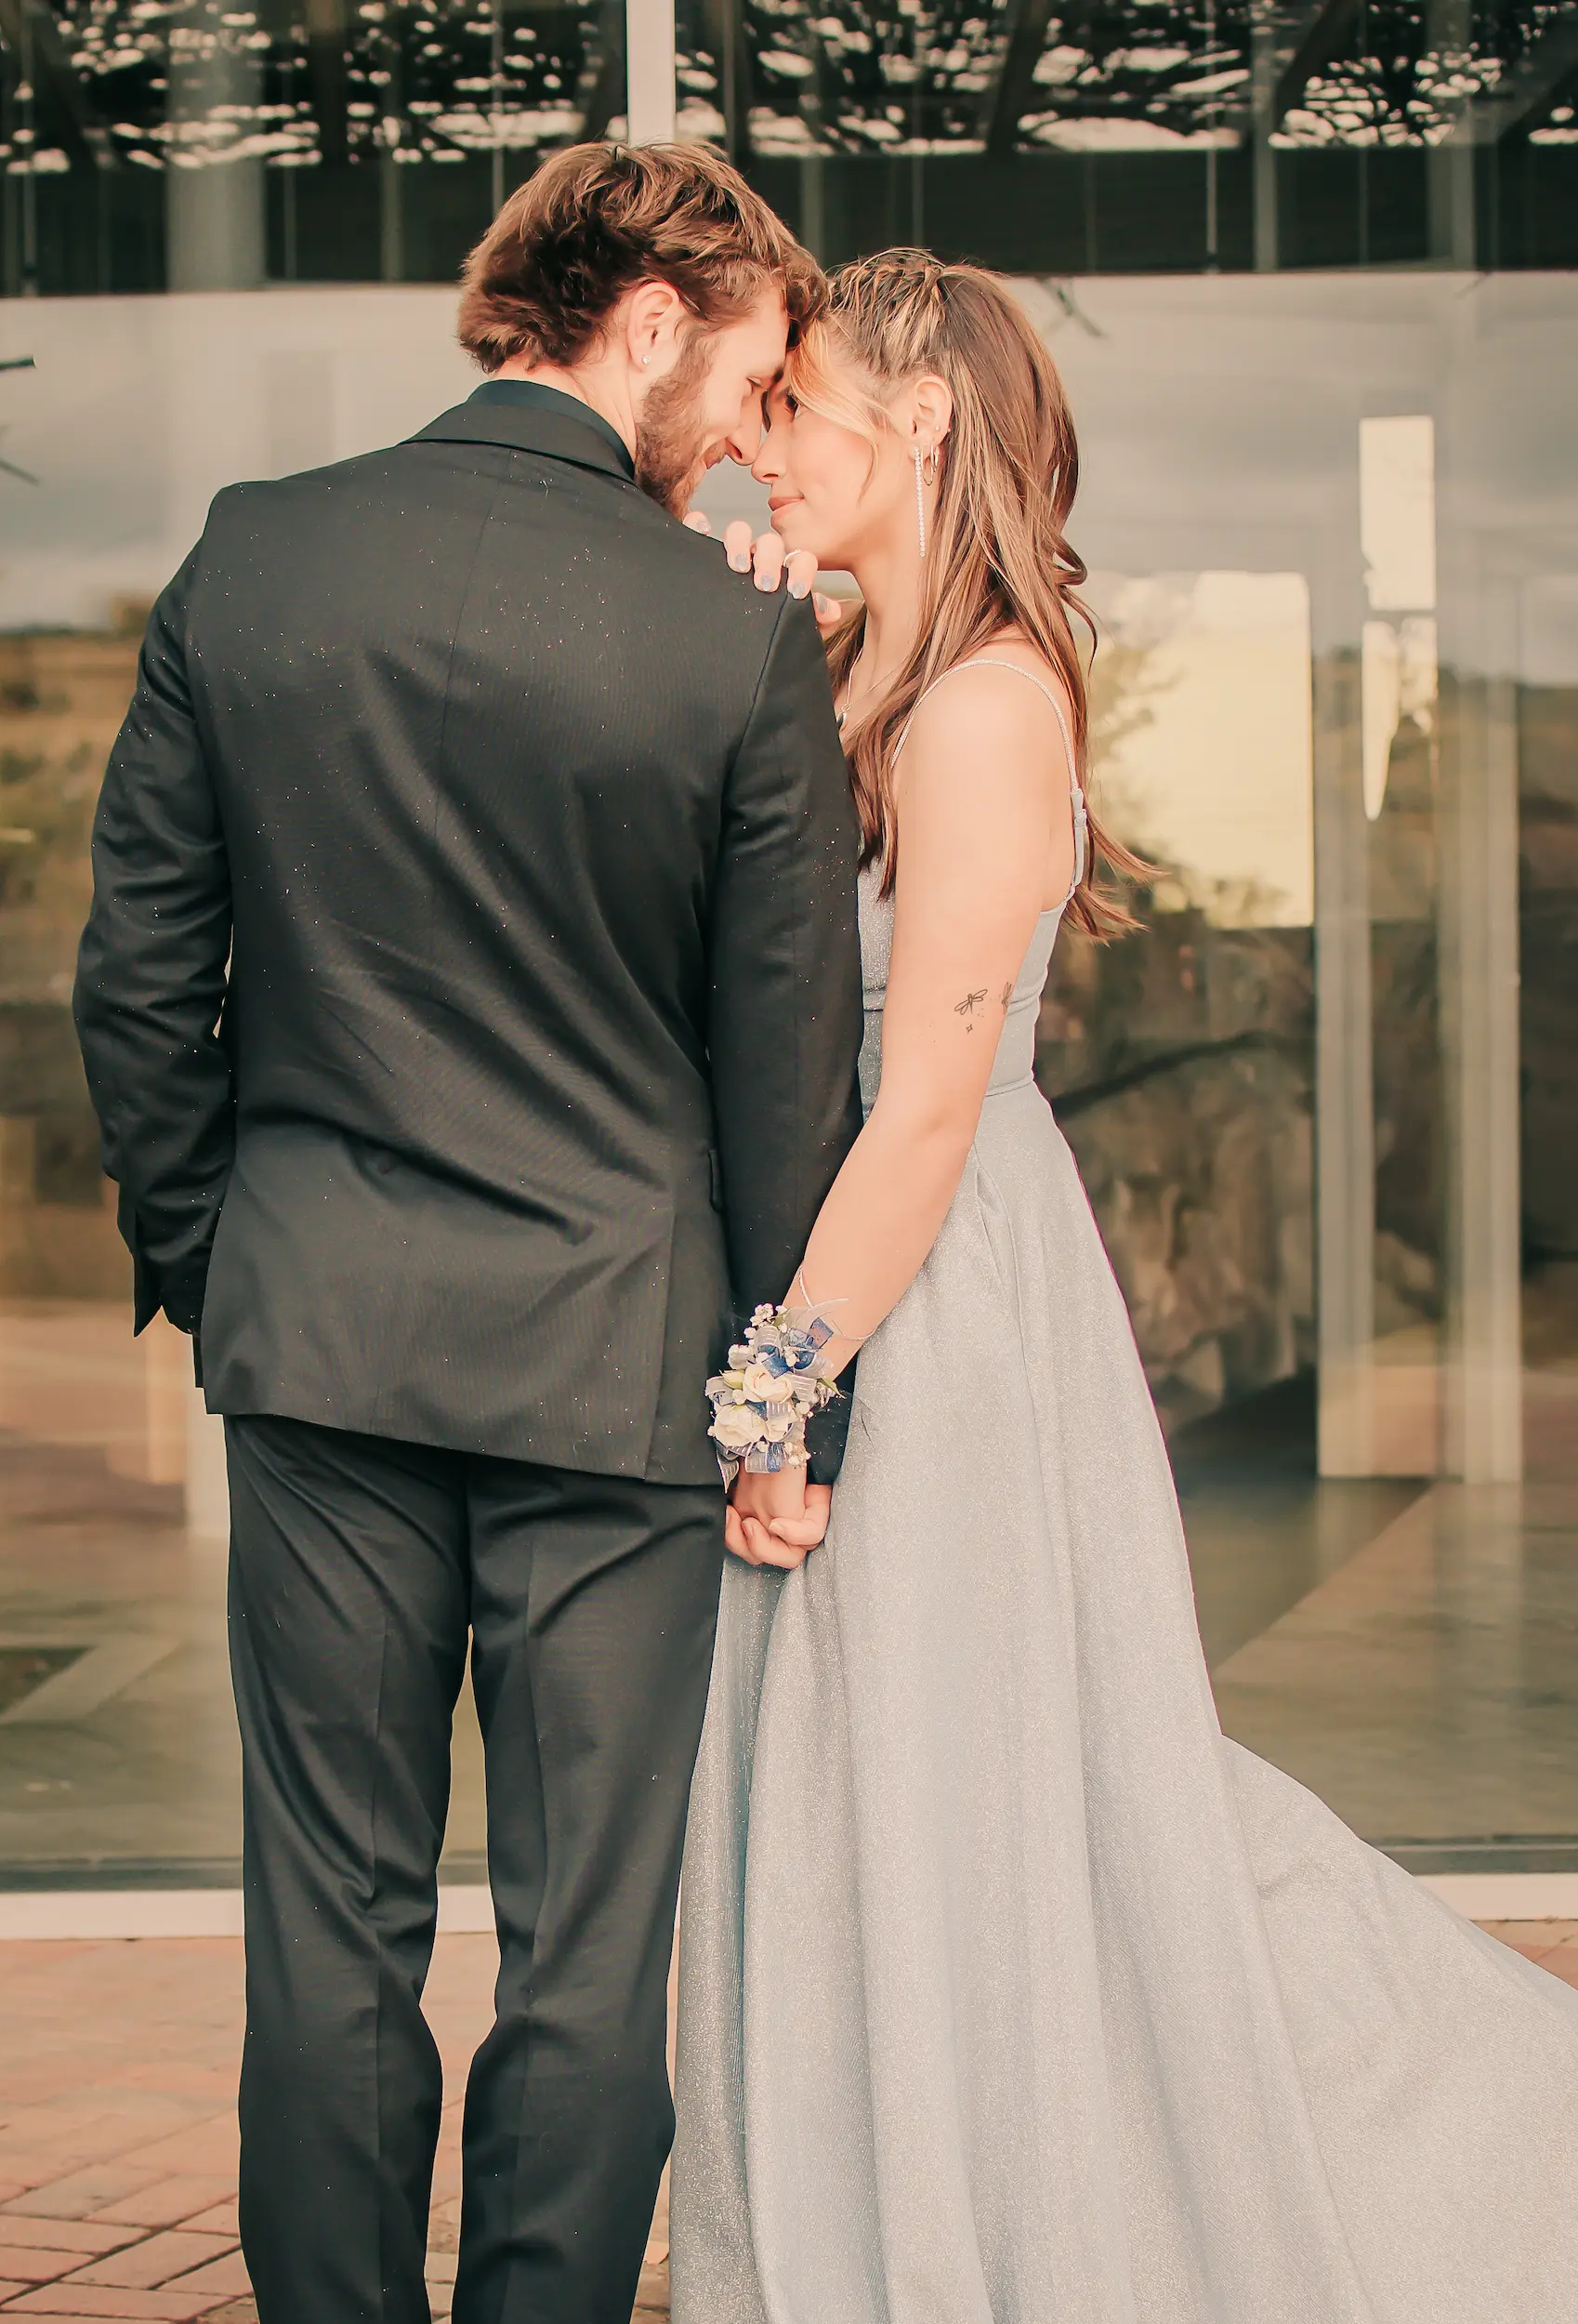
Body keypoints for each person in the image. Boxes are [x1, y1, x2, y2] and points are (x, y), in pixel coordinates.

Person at [674, 249, 1578, 2324]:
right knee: (867, 1790)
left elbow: (924, 1108)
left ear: (913, 419)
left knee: (1010, 1788)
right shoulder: (826, 674)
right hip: (834, 1283)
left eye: (798, 401)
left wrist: (777, 1387)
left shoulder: (991, 695)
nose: (766, 438)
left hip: (936, 1302)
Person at [72, 143, 862, 2324]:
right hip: (621, 1370)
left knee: (326, 1922)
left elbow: (140, 984)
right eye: (753, 371)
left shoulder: (259, 561)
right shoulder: (730, 641)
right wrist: (784, 1392)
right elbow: (784, 1076)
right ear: (647, 319)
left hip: (320, 1336)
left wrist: (233, 1257)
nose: (754, 425)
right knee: (591, 1945)